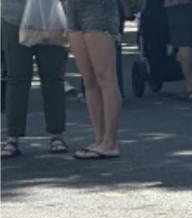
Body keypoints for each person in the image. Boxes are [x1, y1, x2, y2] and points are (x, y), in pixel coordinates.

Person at [1, 0, 70, 158]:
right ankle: (12, 137)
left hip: (52, 17)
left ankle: (56, 134)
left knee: (53, 78)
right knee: (17, 78)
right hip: (13, 18)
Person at [66, 0, 123, 159]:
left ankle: (110, 142)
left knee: (105, 78)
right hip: (72, 7)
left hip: (99, 8)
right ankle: (100, 139)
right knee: (89, 80)